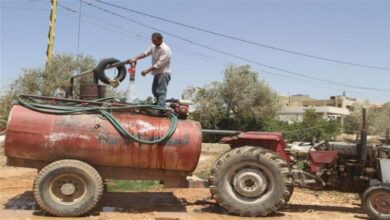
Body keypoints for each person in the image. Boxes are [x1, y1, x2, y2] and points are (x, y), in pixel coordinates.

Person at [128, 33, 171, 107]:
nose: (153, 42)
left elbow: (159, 64)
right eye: (152, 40)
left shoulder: (165, 49)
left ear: (160, 40)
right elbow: (145, 53)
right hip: (157, 73)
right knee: (154, 90)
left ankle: (161, 106)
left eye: (155, 41)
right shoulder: (153, 46)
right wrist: (135, 58)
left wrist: (147, 70)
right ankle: (158, 103)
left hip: (164, 73)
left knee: (161, 91)